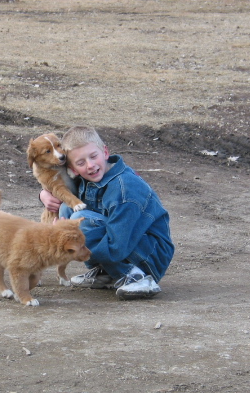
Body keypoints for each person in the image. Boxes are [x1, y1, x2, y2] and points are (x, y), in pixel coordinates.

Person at [39, 126, 174, 300]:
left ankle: (136, 277)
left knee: (81, 224)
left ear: (105, 151)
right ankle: (107, 272)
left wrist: (67, 235)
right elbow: (52, 177)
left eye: (93, 156)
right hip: (125, 245)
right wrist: (43, 194)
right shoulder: (89, 178)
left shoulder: (125, 189)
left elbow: (118, 244)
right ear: (72, 168)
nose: (90, 165)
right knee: (68, 207)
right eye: (80, 163)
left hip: (149, 256)